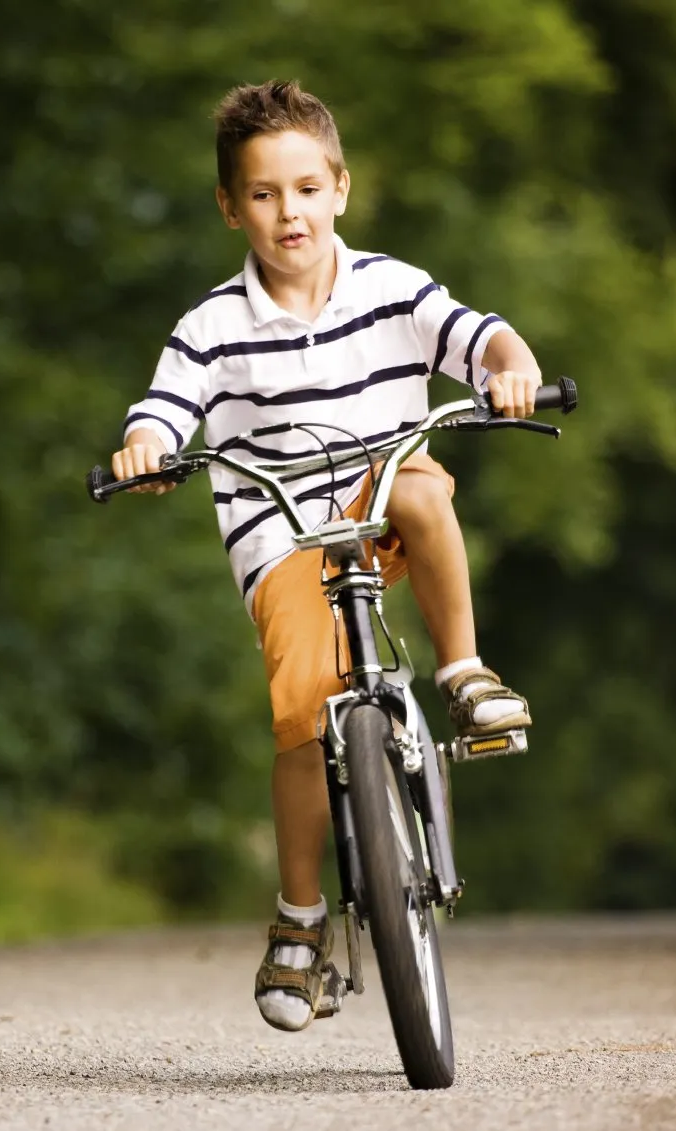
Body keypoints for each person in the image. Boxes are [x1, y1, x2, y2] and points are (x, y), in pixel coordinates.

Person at [110, 79, 542, 1033]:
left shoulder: (393, 287)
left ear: (340, 188)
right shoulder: (211, 330)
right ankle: (301, 920)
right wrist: (145, 449)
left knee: (424, 489)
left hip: (381, 499)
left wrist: (511, 369)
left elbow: (479, 334)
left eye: (306, 188)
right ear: (230, 207)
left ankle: (464, 670)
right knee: (305, 716)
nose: (287, 211)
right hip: (282, 535)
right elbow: (164, 410)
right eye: (262, 194)